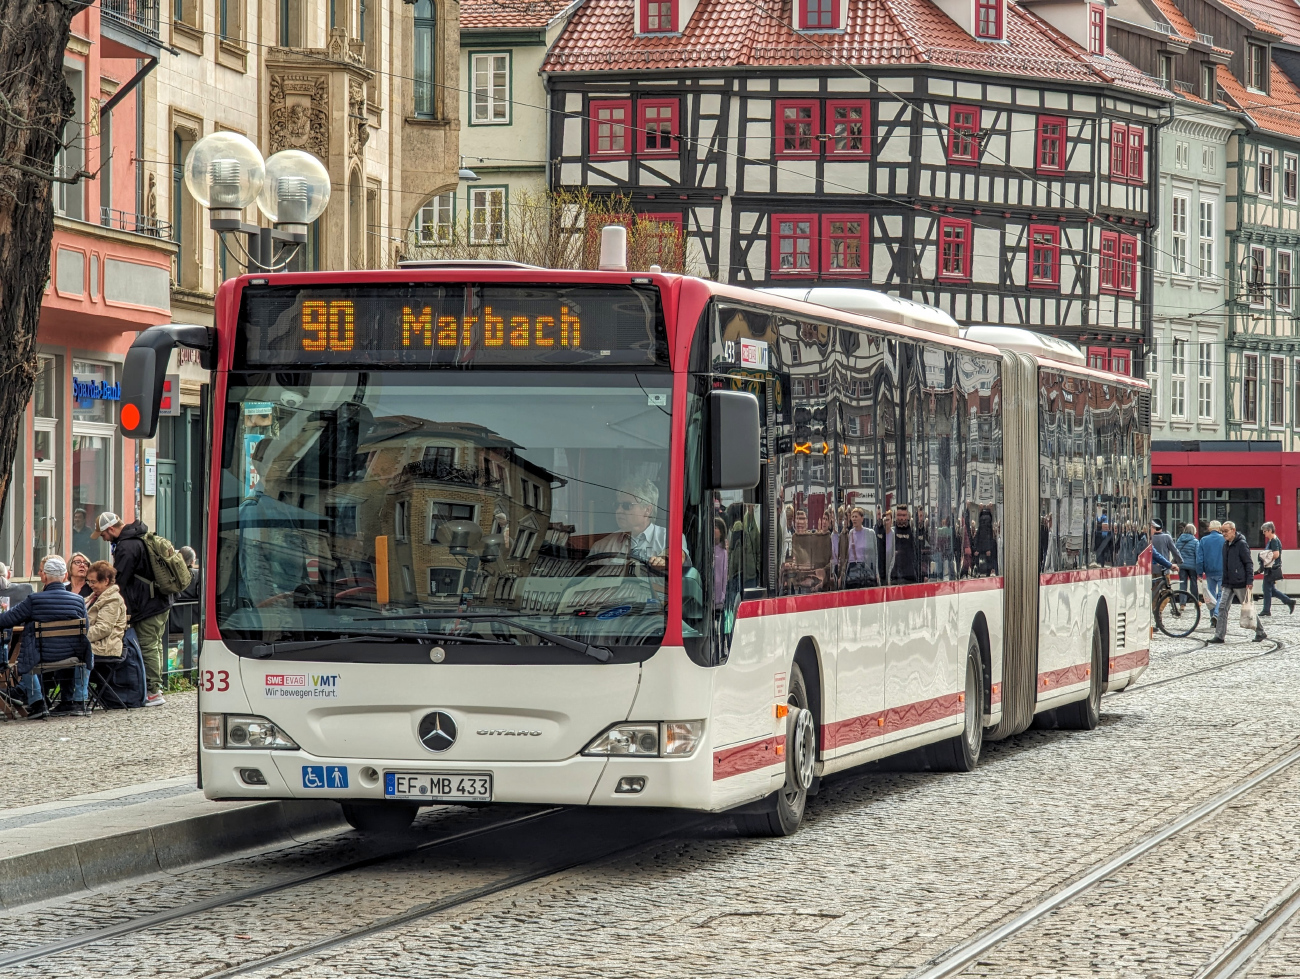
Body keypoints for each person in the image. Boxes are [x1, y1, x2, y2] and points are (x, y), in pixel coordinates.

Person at [92, 512, 170, 706]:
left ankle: (152, 691)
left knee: (147, 645)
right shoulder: (140, 537)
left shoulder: (126, 546)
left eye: (103, 535)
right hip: (159, 601)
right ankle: (155, 686)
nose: (103, 538)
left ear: (110, 529)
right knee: (155, 644)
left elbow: (119, 580)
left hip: (146, 604)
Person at [0, 556, 92, 718]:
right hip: (73, 655)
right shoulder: (78, 601)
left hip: (41, 656)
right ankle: (79, 701)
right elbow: (86, 628)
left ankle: (38, 703)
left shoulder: (34, 600)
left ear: (44, 576)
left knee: (25, 655)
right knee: (85, 647)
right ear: (65, 576)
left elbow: (7, 620)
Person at [1211, 520, 1266, 644]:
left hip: (1240, 582)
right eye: (1222, 531)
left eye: (1225, 531)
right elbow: (1225, 565)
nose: (1223, 534)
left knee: (1248, 608)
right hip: (1228, 582)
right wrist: (1224, 581)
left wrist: (1249, 581)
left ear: (1233, 530)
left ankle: (1260, 631)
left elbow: (1248, 563)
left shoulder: (1241, 544)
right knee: (1222, 607)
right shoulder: (1225, 545)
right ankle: (1219, 636)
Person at [85, 561, 128, 661]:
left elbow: (103, 629)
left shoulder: (113, 599)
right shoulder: (94, 596)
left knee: (65, 650)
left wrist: (78, 637)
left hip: (104, 647)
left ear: (106, 581)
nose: (90, 585)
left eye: (93, 582)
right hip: (94, 643)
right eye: (89, 581)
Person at [1259, 521, 1295, 616]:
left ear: (1270, 530)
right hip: (1272, 568)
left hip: (1271, 569)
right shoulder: (1273, 540)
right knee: (1272, 590)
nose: (1264, 533)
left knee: (1266, 589)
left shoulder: (1274, 540)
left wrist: (1266, 559)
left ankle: (1266, 610)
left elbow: (1276, 554)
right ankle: (1289, 601)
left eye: (1265, 531)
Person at [843, 506, 879, 588]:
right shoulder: (850, 533)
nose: (854, 519)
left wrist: (876, 572)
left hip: (865, 570)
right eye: (853, 517)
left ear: (862, 518)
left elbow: (875, 554)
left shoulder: (870, 533)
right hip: (852, 570)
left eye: (856, 516)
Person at [890, 504, 920, 585]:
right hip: (894, 576)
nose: (901, 518)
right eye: (899, 515)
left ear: (907, 516)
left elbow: (916, 553)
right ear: (895, 516)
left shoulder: (912, 532)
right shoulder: (891, 532)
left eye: (904, 515)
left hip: (910, 576)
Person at [1175, 524, 1201, 599]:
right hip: (1192, 566)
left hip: (1182, 565)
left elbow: (1176, 552)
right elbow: (1197, 555)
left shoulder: (1179, 540)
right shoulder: (1195, 541)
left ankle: (1182, 604)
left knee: (1182, 584)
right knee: (1193, 583)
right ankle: (1196, 601)